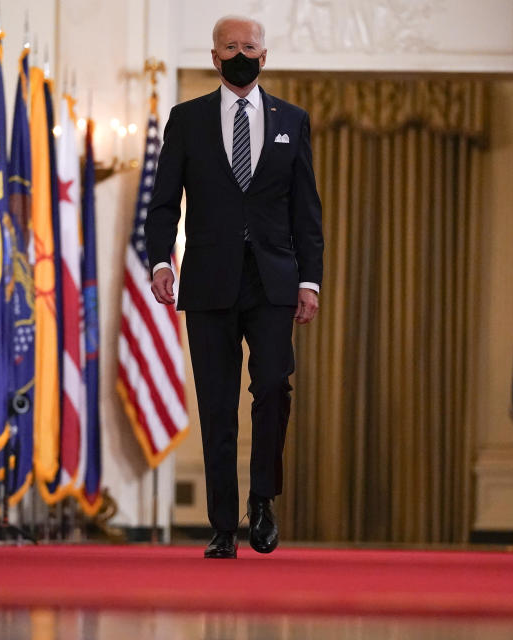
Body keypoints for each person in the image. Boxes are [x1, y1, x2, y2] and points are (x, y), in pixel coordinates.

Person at [145, 15, 324, 559]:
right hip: (208, 282)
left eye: (250, 46)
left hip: (273, 281)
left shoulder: (292, 119)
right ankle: (223, 525)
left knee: (272, 386)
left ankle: (262, 500)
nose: (241, 53)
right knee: (217, 404)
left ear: (264, 56)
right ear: (215, 56)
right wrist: (160, 262)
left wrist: (310, 281)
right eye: (231, 46)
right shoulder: (186, 119)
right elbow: (162, 201)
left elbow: (306, 211)